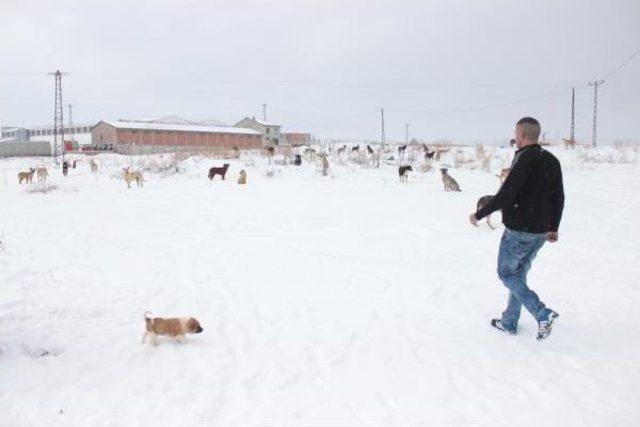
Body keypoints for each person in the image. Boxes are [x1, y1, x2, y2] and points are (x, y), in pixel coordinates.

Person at [469, 117, 564, 340]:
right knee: (518, 274)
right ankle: (510, 322)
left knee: (506, 273)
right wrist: (553, 227)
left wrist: (479, 214)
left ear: (521, 135)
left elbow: (506, 194)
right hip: (541, 232)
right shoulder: (551, 160)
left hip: (519, 231)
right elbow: (558, 197)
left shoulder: (523, 158)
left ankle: (542, 313)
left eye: (516, 133)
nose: (515, 137)